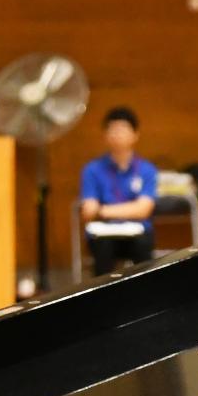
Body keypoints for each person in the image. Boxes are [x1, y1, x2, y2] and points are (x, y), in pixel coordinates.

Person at [79, 105, 159, 276]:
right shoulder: (92, 170)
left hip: (137, 232)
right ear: (105, 135)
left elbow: (144, 210)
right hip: (104, 233)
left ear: (135, 135)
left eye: (122, 129)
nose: (117, 135)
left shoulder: (147, 170)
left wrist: (102, 210)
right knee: (102, 247)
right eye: (112, 130)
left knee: (144, 245)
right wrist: (130, 210)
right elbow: (88, 211)